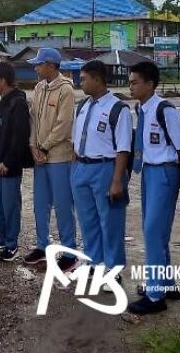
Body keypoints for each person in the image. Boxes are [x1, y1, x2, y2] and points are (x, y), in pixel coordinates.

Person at [126, 62, 180, 315]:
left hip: (164, 171)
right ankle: (165, 283)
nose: (130, 86)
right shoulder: (142, 109)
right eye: (129, 82)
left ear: (150, 84)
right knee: (155, 232)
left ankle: (155, 296)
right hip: (149, 171)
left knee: (153, 232)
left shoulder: (164, 110)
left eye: (134, 82)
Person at [71, 60, 132, 289]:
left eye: (84, 78)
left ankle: (113, 270)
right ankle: (94, 262)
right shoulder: (82, 106)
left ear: (97, 79)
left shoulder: (118, 108)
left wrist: (117, 180)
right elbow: (76, 139)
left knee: (111, 221)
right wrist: (75, 167)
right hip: (82, 168)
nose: (81, 82)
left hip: (106, 168)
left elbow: (123, 148)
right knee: (88, 220)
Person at [23, 48, 77, 272]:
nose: (35, 68)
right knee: (40, 204)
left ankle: (69, 250)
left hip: (58, 156)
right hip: (40, 156)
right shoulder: (39, 87)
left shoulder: (66, 90)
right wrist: (33, 146)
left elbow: (64, 125)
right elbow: (34, 120)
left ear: (51, 65)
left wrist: (44, 146)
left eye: (39, 64)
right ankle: (43, 245)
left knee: (63, 205)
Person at [0, 61, 32, 261]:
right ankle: (3, 239)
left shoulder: (18, 103)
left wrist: (8, 162)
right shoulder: (0, 101)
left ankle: (12, 245)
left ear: (3, 81)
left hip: (9, 167)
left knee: (10, 206)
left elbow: (20, 137)